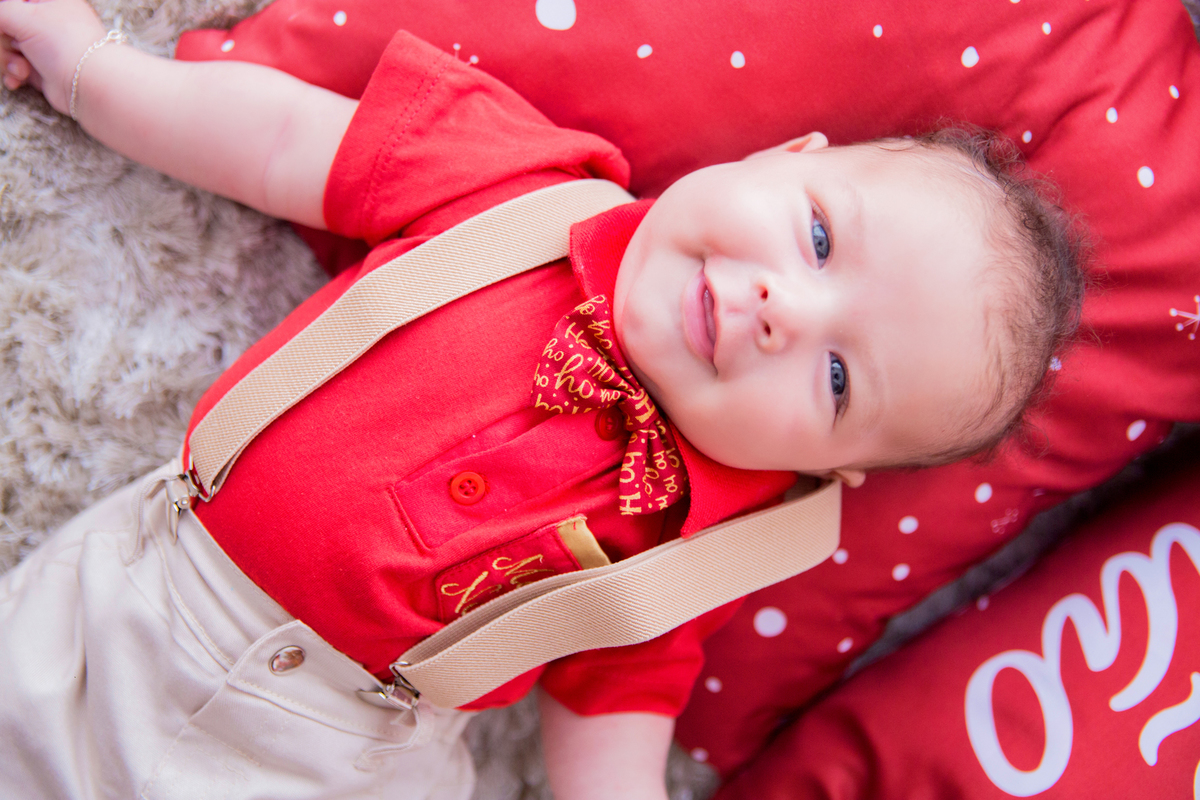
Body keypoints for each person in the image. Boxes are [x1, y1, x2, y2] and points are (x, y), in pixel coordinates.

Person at [0, 1, 1086, 799]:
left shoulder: (707, 530)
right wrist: (93, 68)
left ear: (830, 468)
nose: (779, 308)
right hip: (130, 600)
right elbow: (286, 140)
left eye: (840, 377)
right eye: (815, 236)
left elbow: (616, 712)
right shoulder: (525, 182)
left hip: (333, 756)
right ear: (780, 155)